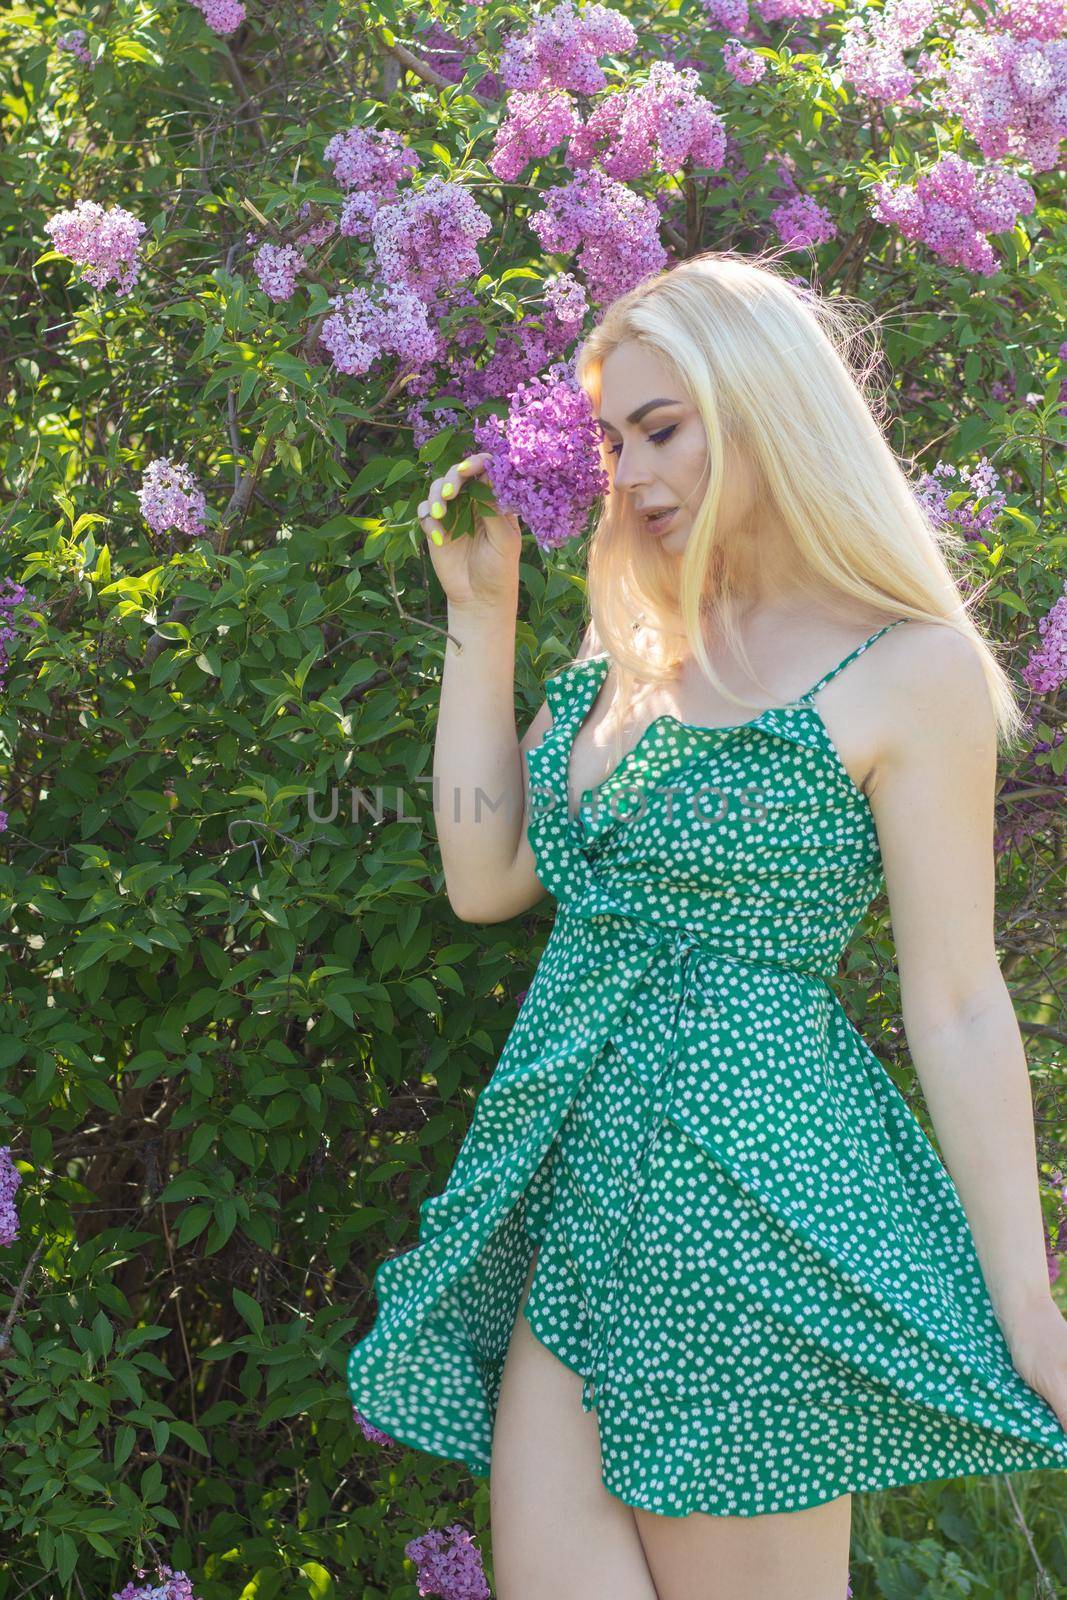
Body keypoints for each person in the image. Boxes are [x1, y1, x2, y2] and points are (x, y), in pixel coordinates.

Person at [347, 250, 1067, 1600]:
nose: (632, 474)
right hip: (584, 1225)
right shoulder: (633, 640)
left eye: (662, 430)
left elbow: (960, 1001)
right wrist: (480, 617)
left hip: (749, 1238)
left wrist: (1027, 1302)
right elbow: (485, 873)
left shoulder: (907, 668)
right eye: (614, 440)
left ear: (765, 406)